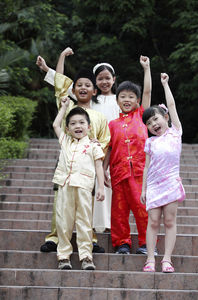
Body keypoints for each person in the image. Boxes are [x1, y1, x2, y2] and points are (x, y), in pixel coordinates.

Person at [36, 48, 120, 233]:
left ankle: (98, 230)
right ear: (95, 84)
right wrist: (52, 64)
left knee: (100, 193)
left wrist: (103, 159)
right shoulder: (87, 100)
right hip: (75, 155)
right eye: (100, 78)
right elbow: (61, 84)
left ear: (114, 79)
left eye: (108, 78)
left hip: (103, 154)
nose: (104, 81)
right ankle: (61, 235)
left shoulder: (119, 100)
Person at [103, 56, 152, 255]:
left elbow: (148, 91)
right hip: (118, 172)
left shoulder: (142, 115)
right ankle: (121, 243)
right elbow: (109, 148)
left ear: (138, 101)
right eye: (123, 96)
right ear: (117, 100)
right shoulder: (112, 124)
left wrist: (147, 69)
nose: (127, 100)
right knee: (119, 211)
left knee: (142, 209)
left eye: (131, 96)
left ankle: (145, 243)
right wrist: (103, 169)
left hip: (139, 172)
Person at [141, 73, 185, 273]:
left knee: (169, 221)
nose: (153, 125)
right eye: (149, 123)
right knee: (152, 222)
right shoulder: (150, 142)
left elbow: (173, 106)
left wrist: (165, 84)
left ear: (165, 117)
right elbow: (147, 167)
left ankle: (166, 259)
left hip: (171, 184)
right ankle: (150, 259)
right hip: (153, 186)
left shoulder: (176, 131)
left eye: (155, 119)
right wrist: (143, 189)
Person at [53, 103, 105, 270]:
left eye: (82, 123)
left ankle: (86, 257)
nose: (78, 126)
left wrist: (102, 188)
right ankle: (63, 256)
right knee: (63, 222)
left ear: (89, 127)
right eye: (73, 123)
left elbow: (99, 167)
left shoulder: (94, 145)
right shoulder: (65, 141)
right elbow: (55, 124)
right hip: (65, 185)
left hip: (84, 187)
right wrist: (63, 108)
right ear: (67, 129)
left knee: (84, 222)